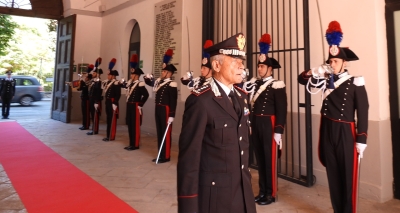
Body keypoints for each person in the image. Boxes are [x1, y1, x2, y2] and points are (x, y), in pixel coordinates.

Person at [177, 33, 256, 213]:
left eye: (241, 60)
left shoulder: (241, 97)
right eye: (234, 60)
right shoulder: (201, 101)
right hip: (215, 199)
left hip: (242, 193)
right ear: (216, 65)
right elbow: (189, 160)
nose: (241, 65)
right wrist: (188, 206)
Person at [297, 21, 368, 213]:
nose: (332, 64)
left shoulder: (355, 82)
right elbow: (301, 79)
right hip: (327, 130)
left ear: (345, 62)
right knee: (334, 175)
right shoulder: (324, 79)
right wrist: (315, 70)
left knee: (348, 177)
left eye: (335, 61)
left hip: (346, 132)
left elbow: (363, 110)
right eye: (330, 61)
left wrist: (361, 138)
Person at [242, 33, 287, 205]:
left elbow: (282, 110)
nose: (259, 68)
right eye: (259, 66)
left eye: (262, 66)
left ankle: (271, 194)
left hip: (270, 126)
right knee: (260, 160)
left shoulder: (277, 85)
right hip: (256, 124)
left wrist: (279, 130)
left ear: (270, 69)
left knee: (269, 161)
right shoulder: (255, 83)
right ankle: (262, 191)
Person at [144, 49, 178, 163]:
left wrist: (172, 114)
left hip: (166, 109)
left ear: (169, 73)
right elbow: (150, 83)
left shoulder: (172, 84)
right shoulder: (159, 81)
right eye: (162, 71)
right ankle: (160, 153)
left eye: (164, 72)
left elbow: (173, 100)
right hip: (158, 108)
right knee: (160, 131)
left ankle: (166, 156)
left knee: (166, 132)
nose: (162, 73)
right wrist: (147, 77)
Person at [122, 54, 149, 150]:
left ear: (137, 75)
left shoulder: (140, 84)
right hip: (129, 105)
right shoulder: (130, 83)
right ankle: (131, 143)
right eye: (131, 74)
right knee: (130, 124)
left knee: (135, 125)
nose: (131, 75)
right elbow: (124, 87)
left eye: (133, 74)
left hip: (136, 106)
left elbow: (146, 95)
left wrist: (140, 104)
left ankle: (135, 144)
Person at [102, 58, 121, 142]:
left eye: (109, 75)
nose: (108, 76)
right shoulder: (108, 83)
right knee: (108, 118)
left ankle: (111, 136)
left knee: (112, 119)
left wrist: (115, 102)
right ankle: (108, 135)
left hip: (113, 102)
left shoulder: (116, 83)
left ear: (113, 76)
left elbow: (118, 94)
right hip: (108, 101)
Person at [87, 58, 103, 135]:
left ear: (97, 74)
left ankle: (95, 130)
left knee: (95, 115)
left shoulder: (99, 82)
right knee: (92, 114)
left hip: (95, 100)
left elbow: (99, 92)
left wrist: (97, 101)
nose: (92, 74)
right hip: (91, 99)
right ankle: (93, 129)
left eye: (94, 73)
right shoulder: (94, 81)